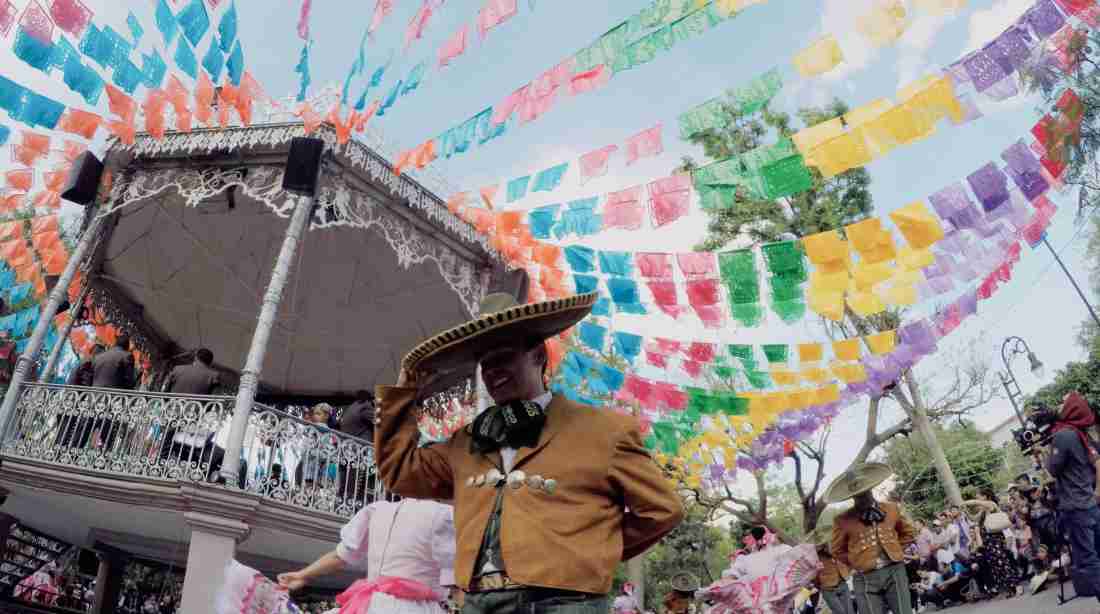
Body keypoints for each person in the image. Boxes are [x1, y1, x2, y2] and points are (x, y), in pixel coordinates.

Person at [374, 292, 683, 613]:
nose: (492, 371)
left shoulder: (606, 430)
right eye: (485, 363)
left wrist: (589, 551)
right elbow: (399, 473)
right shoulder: (464, 441)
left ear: (537, 355)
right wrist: (402, 395)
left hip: (565, 604)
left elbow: (662, 511)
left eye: (504, 357)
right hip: (479, 604)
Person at [275, 498, 455, 614]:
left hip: (369, 605)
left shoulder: (377, 510)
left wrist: (302, 575)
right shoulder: (444, 515)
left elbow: (340, 557)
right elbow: (456, 581)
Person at [828, 462, 916, 614]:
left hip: (894, 570)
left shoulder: (891, 508)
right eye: (857, 495)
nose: (862, 497)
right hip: (864, 576)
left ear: (871, 489)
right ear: (852, 496)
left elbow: (908, 533)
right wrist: (858, 561)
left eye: (865, 492)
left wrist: (895, 550)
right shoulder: (842, 520)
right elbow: (837, 550)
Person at [1043, 391, 1100, 604]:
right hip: (1090, 504)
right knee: (1097, 554)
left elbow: (1053, 470)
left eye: (1063, 401)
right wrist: (1096, 494)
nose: (1059, 404)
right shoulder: (1081, 433)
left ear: (1072, 408)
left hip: (1076, 507)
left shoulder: (1063, 435)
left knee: (1088, 559)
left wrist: (1046, 454)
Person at [965, 488, 1021, 599]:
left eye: (979, 495)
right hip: (987, 541)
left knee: (1003, 562)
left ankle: (1016, 585)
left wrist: (972, 501)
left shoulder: (991, 504)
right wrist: (966, 511)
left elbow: (981, 503)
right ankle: (1008, 588)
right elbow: (973, 518)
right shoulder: (983, 510)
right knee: (996, 565)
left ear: (986, 496)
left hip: (995, 539)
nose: (977, 498)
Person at [812, 526, 851, 614]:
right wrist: (820, 585)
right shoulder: (815, 555)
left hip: (842, 583)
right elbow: (813, 576)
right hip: (828, 589)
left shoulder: (837, 546)